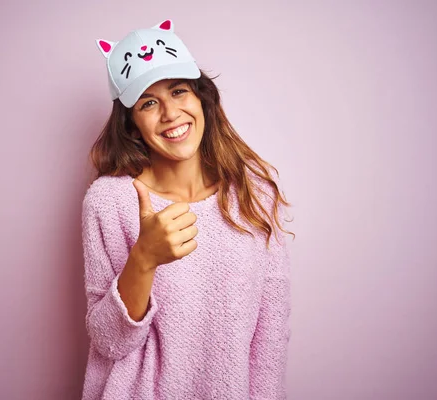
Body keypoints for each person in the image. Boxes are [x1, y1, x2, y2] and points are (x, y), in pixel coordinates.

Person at [81, 19, 293, 400]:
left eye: (179, 91)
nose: (170, 113)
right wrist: (143, 258)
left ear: (201, 99)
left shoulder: (253, 196)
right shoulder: (109, 201)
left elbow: (270, 335)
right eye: (149, 102)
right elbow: (108, 343)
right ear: (132, 125)